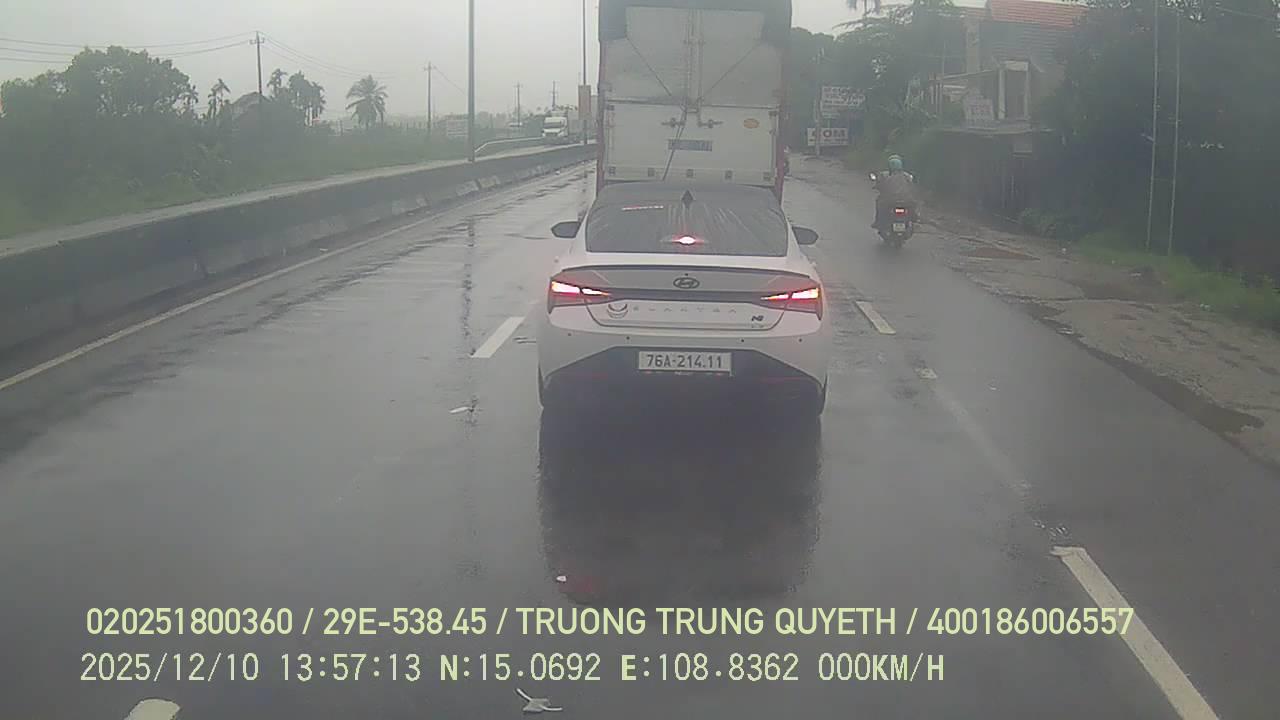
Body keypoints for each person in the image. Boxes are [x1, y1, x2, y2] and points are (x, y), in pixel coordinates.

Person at [872, 155, 918, 230]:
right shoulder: (907, 175)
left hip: (889, 201)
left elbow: (879, 185)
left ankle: (878, 222)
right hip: (906, 201)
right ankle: (914, 218)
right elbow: (912, 186)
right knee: (913, 206)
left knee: (879, 203)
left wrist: (877, 187)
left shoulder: (885, 175)